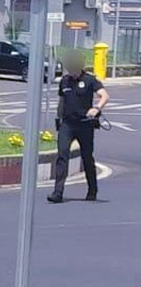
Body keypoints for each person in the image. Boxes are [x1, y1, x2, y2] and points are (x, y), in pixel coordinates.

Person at [49, 50, 109, 203]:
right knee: (62, 156)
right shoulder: (64, 81)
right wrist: (59, 119)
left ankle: (92, 189)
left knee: (87, 157)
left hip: (84, 125)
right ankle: (58, 192)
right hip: (67, 124)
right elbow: (62, 102)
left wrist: (96, 109)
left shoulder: (89, 80)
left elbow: (104, 95)